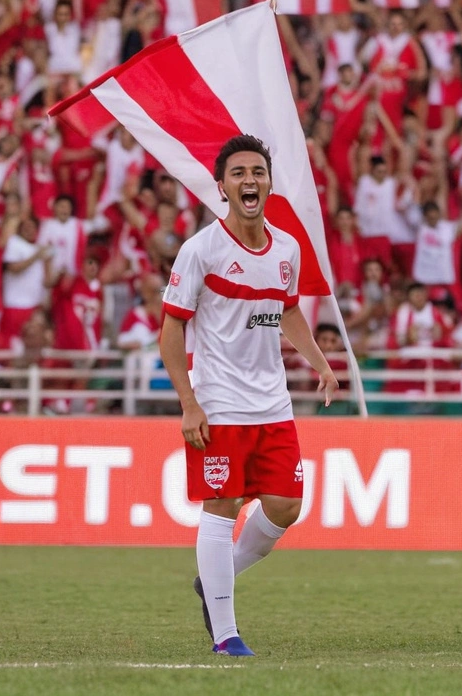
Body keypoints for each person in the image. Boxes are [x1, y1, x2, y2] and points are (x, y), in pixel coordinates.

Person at [160, 135, 337, 657]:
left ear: (269, 183)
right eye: (237, 173)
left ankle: (215, 580)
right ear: (222, 187)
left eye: (257, 172)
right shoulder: (201, 251)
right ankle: (225, 634)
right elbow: (171, 331)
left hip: (273, 405)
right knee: (223, 506)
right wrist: (189, 402)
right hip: (219, 403)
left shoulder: (287, 248)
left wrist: (320, 362)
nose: (249, 181)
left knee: (287, 507)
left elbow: (288, 309)